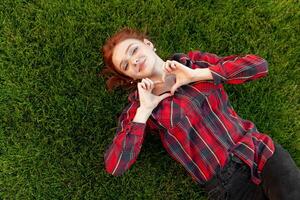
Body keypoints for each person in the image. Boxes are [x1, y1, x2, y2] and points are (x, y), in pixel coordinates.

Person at [101, 27, 300, 200]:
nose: (134, 60)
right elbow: (116, 165)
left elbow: (258, 66)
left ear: (148, 44)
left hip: (258, 151)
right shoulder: (139, 106)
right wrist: (144, 112)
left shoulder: (193, 62)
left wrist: (196, 75)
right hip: (226, 185)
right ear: (129, 78)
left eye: (133, 50)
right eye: (126, 65)